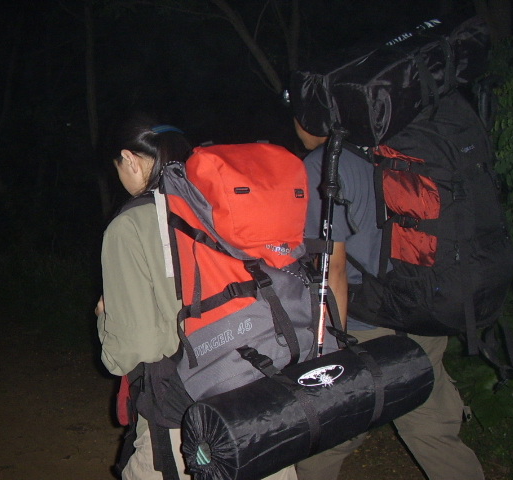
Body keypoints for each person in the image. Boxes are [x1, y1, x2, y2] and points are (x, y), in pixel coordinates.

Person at [96, 114, 298, 480]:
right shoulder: (224, 206)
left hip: (187, 413)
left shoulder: (130, 225)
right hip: (264, 386)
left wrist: (106, 319)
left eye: (118, 167)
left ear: (129, 159)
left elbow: (137, 347)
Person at [293, 119, 485, 480]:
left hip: (366, 327)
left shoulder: (323, 165)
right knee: (432, 432)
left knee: (329, 434)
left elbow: (332, 269)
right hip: (424, 309)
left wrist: (331, 346)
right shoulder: (398, 152)